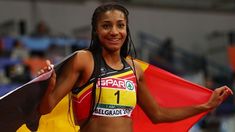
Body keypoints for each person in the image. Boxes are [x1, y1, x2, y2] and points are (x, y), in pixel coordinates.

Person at [38, 3, 233, 132]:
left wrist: (206, 105)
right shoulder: (84, 60)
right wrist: (48, 85)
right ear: (96, 31)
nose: (114, 32)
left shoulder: (134, 69)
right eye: (106, 26)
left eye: (120, 25)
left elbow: (158, 115)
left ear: (126, 29)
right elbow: (46, 108)